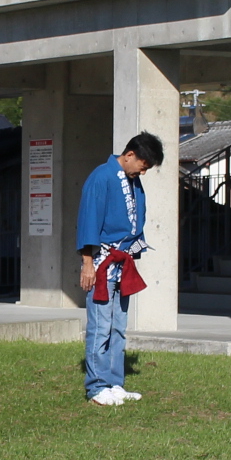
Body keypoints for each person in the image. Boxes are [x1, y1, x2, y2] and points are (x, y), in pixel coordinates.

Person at [76, 132, 164, 407]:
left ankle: (115, 382)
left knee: (119, 327)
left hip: (123, 262)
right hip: (102, 262)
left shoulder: (134, 181)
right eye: (143, 165)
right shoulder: (101, 177)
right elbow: (88, 221)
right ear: (129, 155)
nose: (143, 171)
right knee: (100, 326)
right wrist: (87, 264)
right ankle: (96, 386)